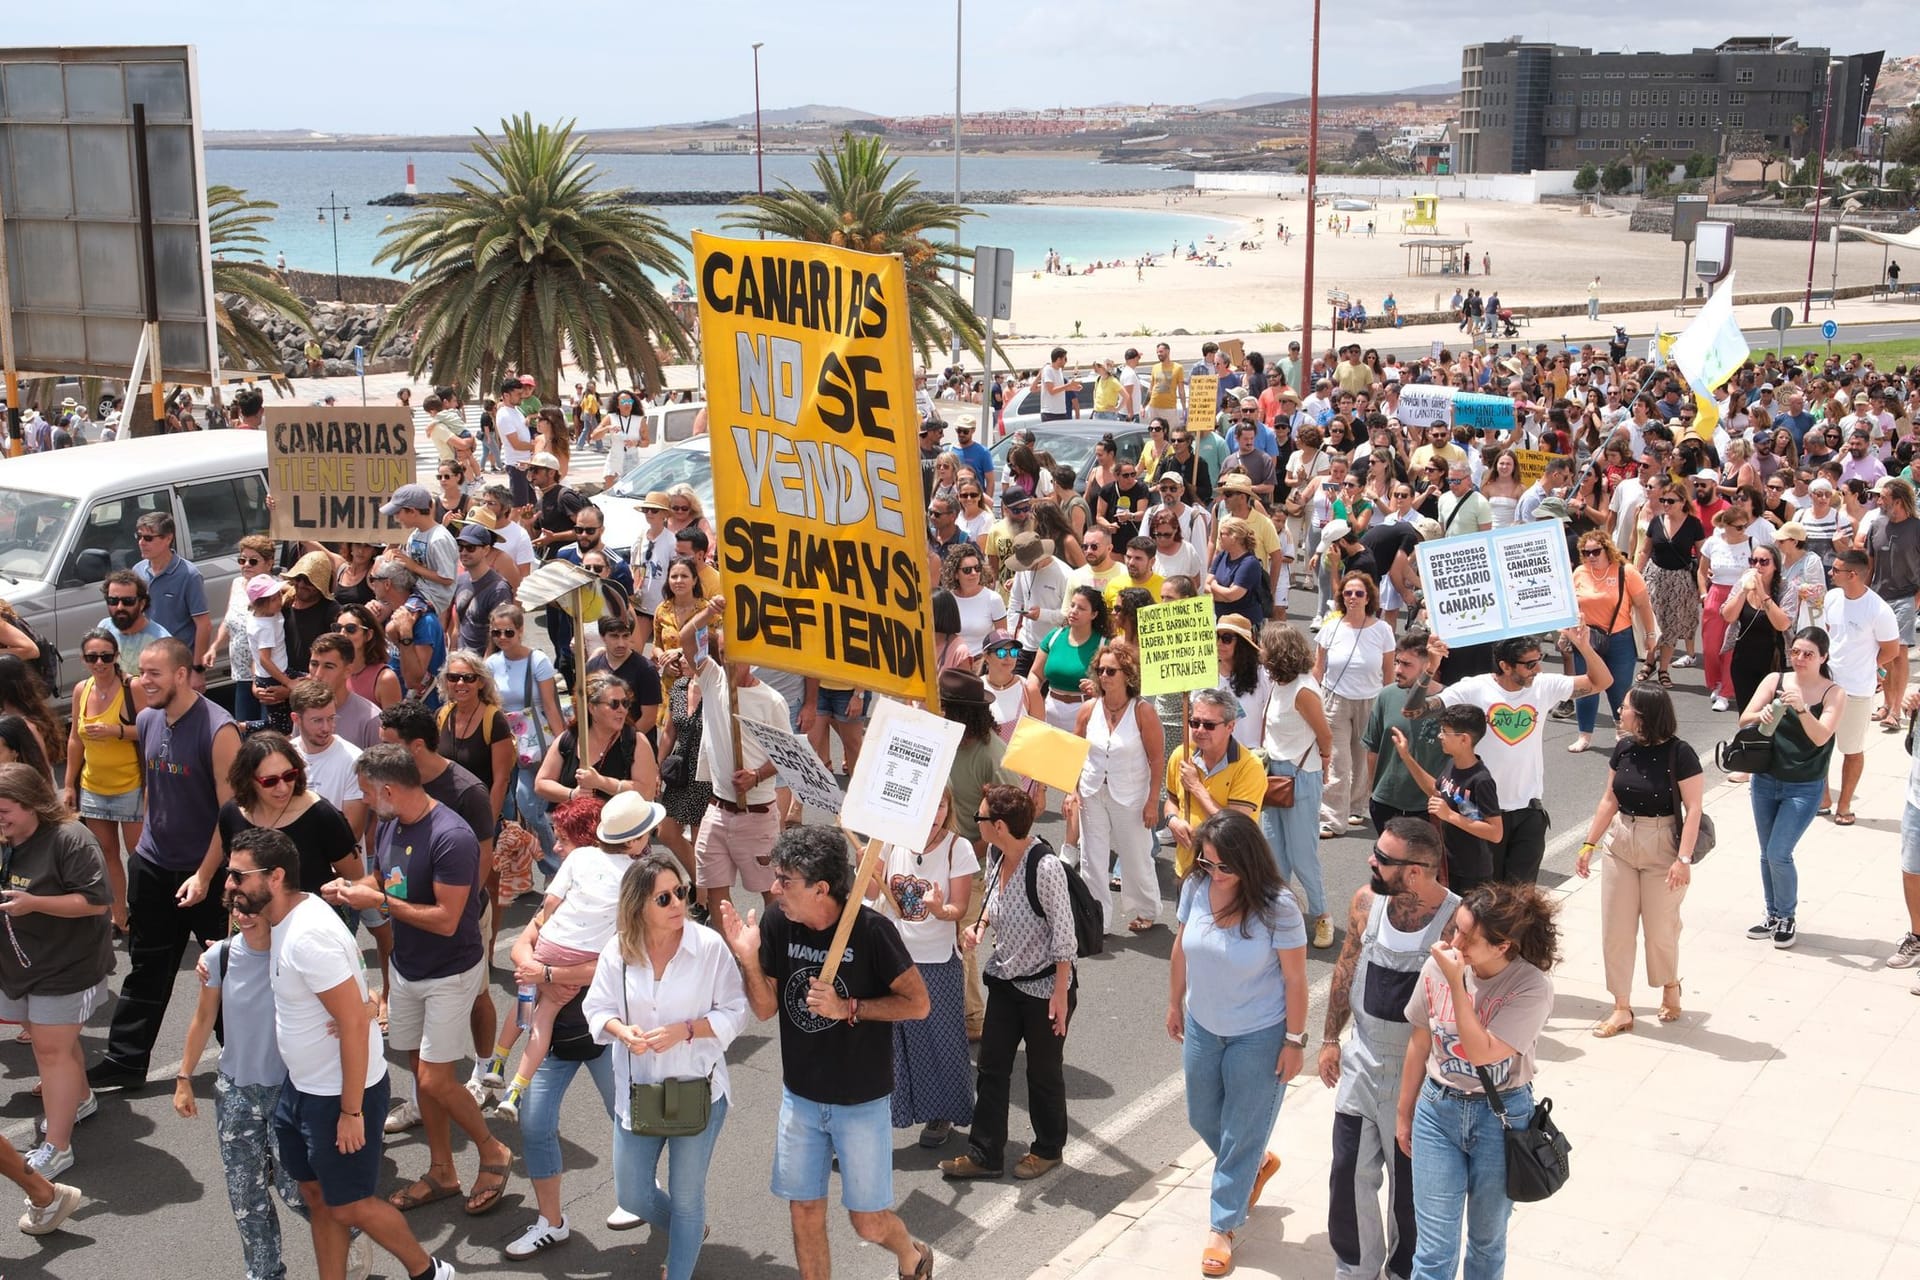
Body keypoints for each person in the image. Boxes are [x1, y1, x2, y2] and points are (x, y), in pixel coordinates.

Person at [715, 826, 935, 1280]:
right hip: (801, 1098)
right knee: (804, 1213)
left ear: (821, 889)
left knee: (868, 1221)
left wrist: (848, 1007)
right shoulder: (778, 922)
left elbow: (918, 1003)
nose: (774, 889)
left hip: (861, 1101)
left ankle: (912, 1254)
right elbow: (763, 1009)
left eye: (785, 880)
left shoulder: (873, 931)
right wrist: (749, 959)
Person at [237, 828, 458, 1280]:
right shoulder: (285, 916)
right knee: (318, 1196)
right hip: (301, 1088)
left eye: (238, 876)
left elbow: (356, 1022)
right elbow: (356, 1004)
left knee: (352, 1204)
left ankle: (429, 1271)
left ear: (275, 877)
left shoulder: (307, 936)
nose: (229, 884)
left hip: (338, 1096)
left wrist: (351, 1111)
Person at [322, 745, 514, 1218]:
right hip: (407, 968)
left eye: (366, 791)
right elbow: (382, 878)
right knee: (419, 1074)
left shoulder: (453, 837)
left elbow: (448, 919)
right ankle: (443, 1170)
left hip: (450, 972)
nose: (363, 799)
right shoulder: (389, 822)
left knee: (434, 1078)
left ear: (388, 789)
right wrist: (353, 891)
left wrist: (378, 904)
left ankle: (493, 1151)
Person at [581, 843, 747, 1279]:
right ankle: (688, 1231)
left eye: (681, 891)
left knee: (687, 1196)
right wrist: (622, 1031)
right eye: (665, 897)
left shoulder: (708, 947)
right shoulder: (617, 951)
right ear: (639, 906)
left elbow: (735, 1011)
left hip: (698, 1091)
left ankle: (680, 1264)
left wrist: (686, 1030)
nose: (679, 904)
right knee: (633, 1195)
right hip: (638, 1092)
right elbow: (597, 1009)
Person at [89, 639, 240, 1093]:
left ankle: (239, 1061)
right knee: (145, 967)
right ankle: (126, 1060)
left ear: (180, 675)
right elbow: (155, 787)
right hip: (154, 868)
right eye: (140, 672)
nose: (142, 681)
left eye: (154, 673)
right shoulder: (149, 719)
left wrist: (206, 875)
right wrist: (144, 851)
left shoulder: (219, 729)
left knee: (224, 971)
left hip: (206, 875)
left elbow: (229, 814)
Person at [1166, 809, 1308, 1277]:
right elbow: (1180, 947)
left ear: (1249, 862)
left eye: (1225, 866)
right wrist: (1173, 1003)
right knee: (1203, 1116)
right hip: (1203, 1026)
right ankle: (1255, 1164)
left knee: (1240, 1131)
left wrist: (1294, 1040)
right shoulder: (1194, 888)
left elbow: (1295, 980)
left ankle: (1222, 1226)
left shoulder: (1279, 906)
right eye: (1207, 863)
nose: (1216, 875)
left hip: (1260, 1035)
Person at [1396, 883, 1559, 1280]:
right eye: (1455, 928)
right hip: (1437, 1111)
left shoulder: (1531, 987)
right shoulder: (1439, 965)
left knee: (1487, 1243)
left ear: (1502, 946)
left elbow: (1482, 1051)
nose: (1455, 942)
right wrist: (1404, 1115)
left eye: (1468, 937)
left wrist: (1457, 983)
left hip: (1500, 1119)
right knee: (1433, 1249)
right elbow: (1420, 1042)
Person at [1320, 818, 1459, 1280]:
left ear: (1417, 871)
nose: (1370, 860)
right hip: (1361, 1061)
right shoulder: (1365, 903)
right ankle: (1355, 1268)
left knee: (1410, 1187)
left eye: (1382, 857)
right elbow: (1345, 968)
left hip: (1418, 1075)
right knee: (1347, 1173)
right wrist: (1327, 1040)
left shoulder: (1457, 922)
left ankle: (1404, 1271)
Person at [942, 785, 1077, 1184]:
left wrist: (1060, 995)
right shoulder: (998, 856)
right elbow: (990, 910)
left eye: (981, 818)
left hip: (1043, 990)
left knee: (1043, 1072)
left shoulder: (1046, 867)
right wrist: (978, 930)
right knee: (991, 1067)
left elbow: (1064, 937)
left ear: (998, 825)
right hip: (1005, 980)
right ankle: (985, 1153)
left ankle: (1048, 1148)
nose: (975, 822)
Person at [1410, 628, 1611, 885]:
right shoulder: (1474, 688)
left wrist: (1583, 645)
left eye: (1538, 661)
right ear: (1505, 665)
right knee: (1484, 899)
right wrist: (1429, 669)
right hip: (1482, 815)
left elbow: (1602, 682)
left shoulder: (1543, 686)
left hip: (1528, 814)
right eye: (1529, 664)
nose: (1537, 670)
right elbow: (1414, 711)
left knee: (1520, 902)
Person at [0, 764, 114, 1180]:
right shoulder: (8, 837)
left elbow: (98, 903)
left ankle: (57, 1148)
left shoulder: (71, 839)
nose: (0, 819)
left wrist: (34, 903)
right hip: (20, 961)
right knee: (54, 1047)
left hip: (69, 965)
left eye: (5, 811)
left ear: (32, 805)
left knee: (51, 1050)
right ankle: (80, 1098)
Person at [1574, 685, 1701, 1036]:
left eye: (1626, 706)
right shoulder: (1623, 747)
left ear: (1643, 714)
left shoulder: (1682, 753)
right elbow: (1608, 800)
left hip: (1663, 846)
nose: (1619, 711)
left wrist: (1683, 859)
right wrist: (1589, 844)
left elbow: (1693, 811)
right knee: (1616, 930)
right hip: (1621, 843)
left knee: (1661, 930)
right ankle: (1621, 1007)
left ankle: (1669, 984)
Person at [867, 789, 978, 1149]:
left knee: (941, 1040)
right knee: (892, 1043)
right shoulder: (890, 842)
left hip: (937, 960)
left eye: (941, 805)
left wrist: (938, 909)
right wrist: (865, 862)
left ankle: (942, 1113)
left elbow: (959, 908)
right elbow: (869, 889)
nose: (935, 814)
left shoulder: (956, 848)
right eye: (929, 806)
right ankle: (882, 1118)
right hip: (894, 960)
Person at [673, 598, 790, 916]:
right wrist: (709, 612)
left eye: (734, 657)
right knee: (715, 897)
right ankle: (729, 959)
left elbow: (786, 758)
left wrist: (757, 775)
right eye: (722, 654)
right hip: (717, 809)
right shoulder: (712, 678)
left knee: (773, 896)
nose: (726, 662)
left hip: (756, 814)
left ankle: (771, 958)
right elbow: (685, 637)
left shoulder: (772, 701)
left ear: (751, 658)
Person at [1740, 628, 1845, 949]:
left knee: (1779, 853)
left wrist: (1801, 709)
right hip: (1765, 779)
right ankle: (1772, 914)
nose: (1799, 659)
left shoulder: (1834, 693)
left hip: (1804, 785)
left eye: (1808, 654)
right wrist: (1763, 713)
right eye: (1796, 652)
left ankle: (1787, 916)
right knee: (1766, 853)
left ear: (1823, 658)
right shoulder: (1775, 681)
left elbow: (1821, 736)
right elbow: (1744, 718)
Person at [1071, 641, 1164, 935]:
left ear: (1128, 674)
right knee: (1092, 858)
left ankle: (1147, 909)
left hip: (1131, 794)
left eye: (1112, 670)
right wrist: (1071, 791)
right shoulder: (1088, 709)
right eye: (1100, 670)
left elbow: (1156, 759)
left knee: (1136, 855)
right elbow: (1074, 753)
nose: (1105, 676)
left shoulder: (1143, 712)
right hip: (1092, 791)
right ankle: (1098, 919)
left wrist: (1152, 802)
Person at [61, 627, 141, 935]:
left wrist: (115, 731)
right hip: (94, 786)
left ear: (115, 656)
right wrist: (69, 784)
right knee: (107, 854)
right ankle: (118, 916)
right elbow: (74, 740)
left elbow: (149, 728)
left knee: (138, 857)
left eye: (105, 656)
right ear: (83, 659)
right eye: (92, 657)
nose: (99, 663)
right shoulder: (82, 689)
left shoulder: (130, 687)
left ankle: (145, 913)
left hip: (131, 784)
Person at [1260, 623, 1335, 946]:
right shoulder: (1279, 683)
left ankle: (1322, 915)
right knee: (1275, 852)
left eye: (1265, 646)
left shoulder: (1304, 689)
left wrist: (1325, 766)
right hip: (1274, 774)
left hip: (1300, 775)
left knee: (1303, 854)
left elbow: (1325, 734)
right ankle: (1281, 913)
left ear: (1278, 652)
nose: (1260, 652)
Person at [1316, 572, 1396, 838]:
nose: (1353, 598)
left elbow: (1388, 673)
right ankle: (1331, 818)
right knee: (1338, 761)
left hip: (1370, 701)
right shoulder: (1331, 627)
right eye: (1348, 593)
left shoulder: (1382, 630)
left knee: (1362, 759)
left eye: (1359, 593)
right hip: (1334, 700)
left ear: (1368, 597)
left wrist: (1388, 706)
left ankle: (1356, 806)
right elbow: (1318, 669)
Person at [1823, 549, 1900, 825]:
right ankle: (1823, 799)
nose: (1831, 573)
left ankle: (1844, 805)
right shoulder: (1832, 598)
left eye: (1836, 570)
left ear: (1853, 574)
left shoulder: (1879, 609)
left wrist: (1870, 665)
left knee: (1851, 749)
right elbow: (1830, 633)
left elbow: (1891, 649)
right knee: (1819, 744)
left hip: (1857, 690)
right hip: (1826, 685)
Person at [487, 603, 566, 869]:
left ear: (521, 631)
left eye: (508, 632)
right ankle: (515, 871)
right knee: (506, 809)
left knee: (529, 805)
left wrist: (562, 746)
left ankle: (553, 863)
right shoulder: (491, 664)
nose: (502, 639)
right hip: (501, 741)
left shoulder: (538, 661)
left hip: (533, 742)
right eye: (496, 633)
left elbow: (551, 705)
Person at [1392, 706, 1500, 894]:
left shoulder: (1481, 780)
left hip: (1471, 873)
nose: (1440, 736)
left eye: (1445, 732)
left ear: (1464, 739)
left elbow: (1495, 832)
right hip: (1447, 865)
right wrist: (1406, 757)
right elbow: (1435, 791)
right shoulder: (1452, 764)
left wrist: (1449, 815)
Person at [1567, 530, 1654, 753]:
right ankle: (1584, 735)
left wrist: (1650, 635)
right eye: (1586, 553)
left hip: (1620, 638)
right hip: (1586, 640)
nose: (1591, 557)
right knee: (1586, 688)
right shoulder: (1579, 572)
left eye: (1596, 551)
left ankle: (1622, 730)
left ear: (1607, 549)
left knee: (1619, 688)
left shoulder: (1626, 571)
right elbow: (1570, 604)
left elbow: (1643, 605)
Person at [1634, 473, 1706, 689]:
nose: (1665, 504)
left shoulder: (1693, 524)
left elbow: (1702, 555)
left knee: (1672, 625)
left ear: (1683, 502)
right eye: (1663, 500)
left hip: (1680, 580)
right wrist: (1636, 574)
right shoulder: (1656, 521)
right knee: (1651, 621)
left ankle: (1664, 669)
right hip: (1655, 576)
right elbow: (1645, 551)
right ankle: (1649, 662)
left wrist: (1703, 581)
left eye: (1670, 501)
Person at [133, 510, 211, 676]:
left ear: (168, 538)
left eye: (148, 538)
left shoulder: (189, 575)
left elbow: (203, 624)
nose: (141, 542)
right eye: (139, 536)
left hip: (177, 666)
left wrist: (197, 670)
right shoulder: (137, 571)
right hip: (146, 663)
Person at [1027, 585, 1110, 734]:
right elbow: (1035, 675)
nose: (1073, 611)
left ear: (1094, 614)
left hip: (1086, 712)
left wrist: (1098, 687)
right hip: (1049, 709)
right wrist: (1033, 696)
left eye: (1082, 608)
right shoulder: (1054, 636)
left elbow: (1116, 685)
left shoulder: (1104, 644)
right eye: (1072, 605)